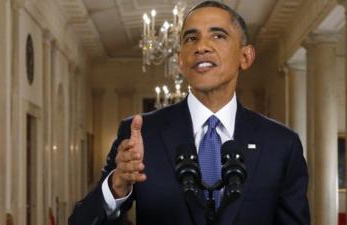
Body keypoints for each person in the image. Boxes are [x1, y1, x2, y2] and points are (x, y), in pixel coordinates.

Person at [68, 1, 310, 225]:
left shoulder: (281, 144)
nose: (201, 47)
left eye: (218, 35)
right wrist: (117, 185)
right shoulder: (141, 136)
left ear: (245, 57)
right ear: (181, 61)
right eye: (191, 38)